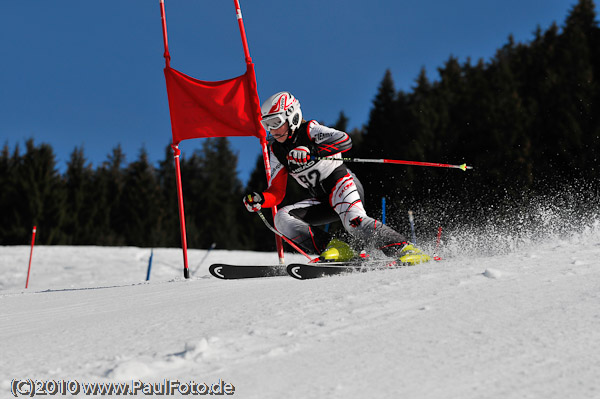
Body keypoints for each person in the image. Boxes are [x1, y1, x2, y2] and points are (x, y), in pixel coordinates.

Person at [243, 91, 431, 265]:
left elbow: (344, 140)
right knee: (282, 218)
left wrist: (312, 150)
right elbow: (277, 192)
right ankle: (337, 249)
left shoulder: (310, 130)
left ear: (292, 116)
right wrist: (261, 200)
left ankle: (405, 249)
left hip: (343, 185)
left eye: (275, 122)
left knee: (353, 222)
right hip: (322, 200)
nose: (272, 130)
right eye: (267, 125)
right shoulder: (277, 151)